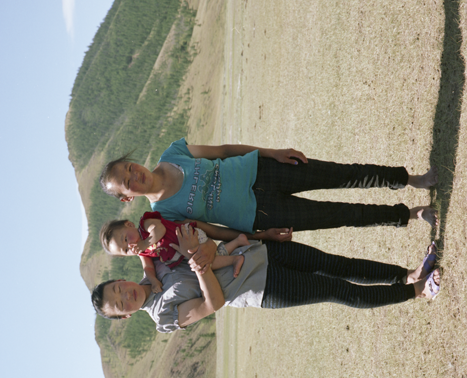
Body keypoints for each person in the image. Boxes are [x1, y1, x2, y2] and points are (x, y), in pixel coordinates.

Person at [99, 141, 438, 260]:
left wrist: (272, 152)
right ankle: (410, 214)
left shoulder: (173, 153)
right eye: (127, 182)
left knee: (341, 174)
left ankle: (410, 179)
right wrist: (261, 236)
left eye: (129, 167)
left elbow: (225, 150)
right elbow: (211, 230)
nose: (134, 174)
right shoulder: (164, 213)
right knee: (340, 215)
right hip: (261, 213)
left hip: (264, 170)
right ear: (127, 197)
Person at [91, 225, 440, 331]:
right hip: (262, 287)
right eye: (119, 305)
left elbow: (190, 237)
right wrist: (197, 264)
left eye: (118, 289)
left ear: (120, 280)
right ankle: (418, 292)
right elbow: (213, 304)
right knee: (338, 290)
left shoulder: (154, 265)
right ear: (124, 316)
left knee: (338, 264)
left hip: (259, 252)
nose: (125, 295)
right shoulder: (164, 317)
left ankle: (408, 274)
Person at [99, 213, 248, 293]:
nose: (130, 245)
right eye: (126, 250)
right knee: (209, 260)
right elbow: (148, 267)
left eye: (126, 239)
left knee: (204, 263)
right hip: (187, 250)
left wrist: (145, 243)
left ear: (130, 224)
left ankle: (235, 259)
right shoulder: (142, 253)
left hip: (190, 236)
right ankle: (237, 241)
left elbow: (159, 229)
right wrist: (153, 280)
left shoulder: (145, 225)